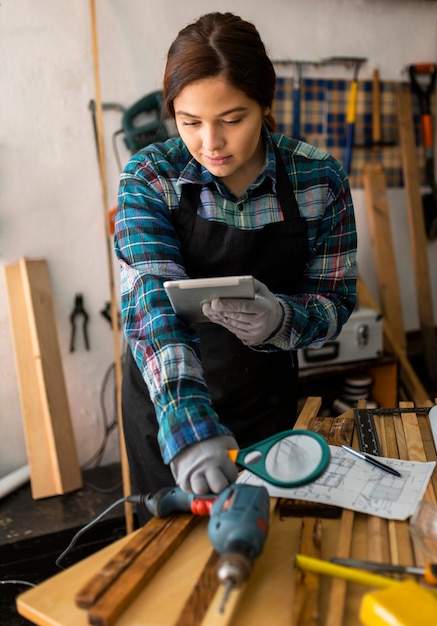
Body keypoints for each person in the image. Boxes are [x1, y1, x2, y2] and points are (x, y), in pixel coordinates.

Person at [114, 12, 357, 524]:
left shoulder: (319, 180)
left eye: (232, 119)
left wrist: (283, 320)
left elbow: (336, 299)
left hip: (264, 401)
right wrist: (187, 426)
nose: (210, 144)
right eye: (189, 122)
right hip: (170, 400)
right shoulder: (150, 177)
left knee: (264, 550)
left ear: (266, 105)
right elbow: (151, 303)